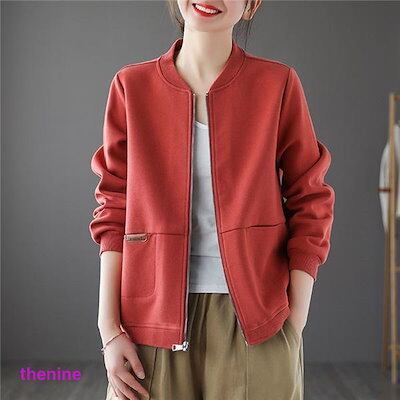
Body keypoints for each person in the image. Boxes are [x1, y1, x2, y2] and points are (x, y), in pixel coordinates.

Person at [88, 1, 335, 399]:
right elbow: (113, 210)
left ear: (251, 5)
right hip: (148, 321)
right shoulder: (131, 87)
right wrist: (109, 328)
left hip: (258, 320)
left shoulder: (277, 84)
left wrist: (295, 320)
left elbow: (311, 197)